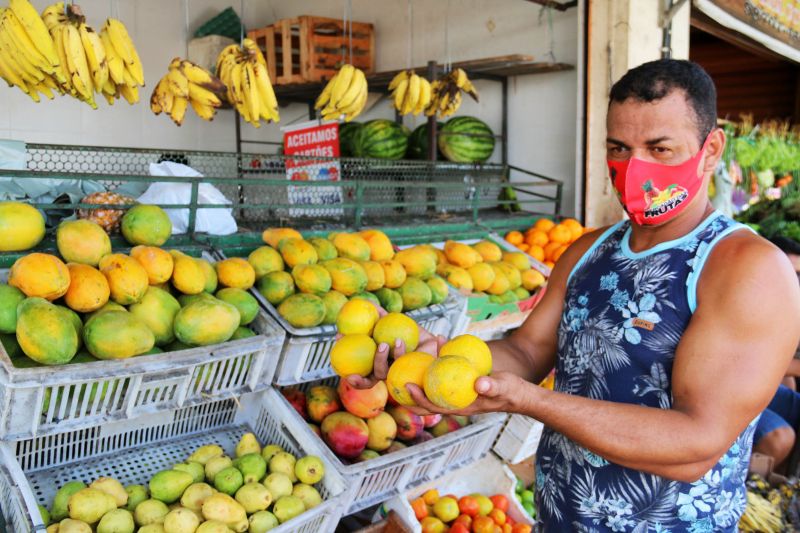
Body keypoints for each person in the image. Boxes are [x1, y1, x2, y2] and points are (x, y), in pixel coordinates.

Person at [347, 59, 800, 532]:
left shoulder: (747, 269)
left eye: (660, 148)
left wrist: (530, 402)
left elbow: (694, 445)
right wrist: (442, 361)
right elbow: (526, 350)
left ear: (711, 150)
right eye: (619, 148)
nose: (634, 168)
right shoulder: (589, 249)